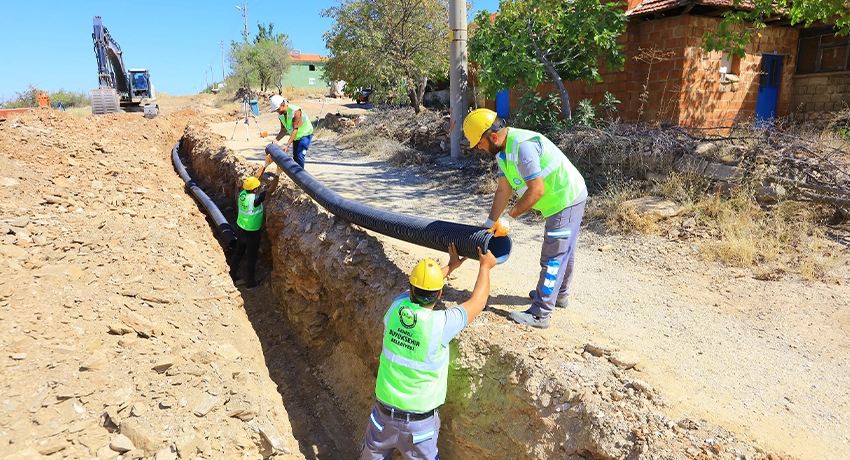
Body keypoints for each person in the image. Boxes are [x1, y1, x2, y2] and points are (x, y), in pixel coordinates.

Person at [360, 244, 497, 460]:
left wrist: (449, 267)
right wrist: (486, 267)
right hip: (419, 429)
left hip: (382, 419)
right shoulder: (441, 325)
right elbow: (478, 302)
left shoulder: (396, 308)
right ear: (440, 294)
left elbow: (417, 287)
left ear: (411, 290)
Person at [462, 108, 587, 330]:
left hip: (565, 199)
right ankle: (559, 294)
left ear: (492, 136)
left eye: (479, 143)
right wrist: (491, 222)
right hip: (560, 199)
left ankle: (540, 313)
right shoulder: (502, 152)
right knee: (564, 250)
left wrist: (509, 218)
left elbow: (536, 190)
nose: (479, 149)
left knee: (553, 256)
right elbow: (503, 189)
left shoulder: (523, 147)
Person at [230, 157, 279, 290]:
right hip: (252, 234)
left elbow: (253, 179)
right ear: (255, 189)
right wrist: (278, 173)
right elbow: (271, 190)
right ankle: (250, 283)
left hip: (241, 230)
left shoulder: (243, 194)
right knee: (251, 257)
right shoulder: (256, 199)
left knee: (238, 253)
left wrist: (265, 164)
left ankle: (231, 275)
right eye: (257, 187)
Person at [269, 94, 314, 168]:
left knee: (299, 155)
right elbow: (283, 130)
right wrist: (276, 139)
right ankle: (296, 175)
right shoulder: (281, 115)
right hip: (296, 137)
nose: (277, 111)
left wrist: (287, 145)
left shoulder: (295, 111)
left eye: (278, 109)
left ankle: (301, 177)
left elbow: (295, 129)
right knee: (295, 157)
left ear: (283, 105)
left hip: (305, 134)